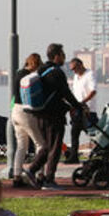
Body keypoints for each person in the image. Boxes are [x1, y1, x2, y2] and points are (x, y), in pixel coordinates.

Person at [25, 43, 82, 190]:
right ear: (57, 56)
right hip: (53, 116)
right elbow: (65, 93)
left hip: (40, 114)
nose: (64, 58)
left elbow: (54, 95)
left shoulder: (41, 70)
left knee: (47, 145)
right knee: (55, 147)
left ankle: (34, 171)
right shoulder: (56, 72)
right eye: (63, 55)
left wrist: (69, 106)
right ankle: (48, 179)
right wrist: (78, 106)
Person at [11, 54, 50, 188]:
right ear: (34, 64)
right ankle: (39, 174)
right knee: (41, 144)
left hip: (15, 111)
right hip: (26, 112)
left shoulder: (18, 75)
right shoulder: (29, 77)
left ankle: (16, 176)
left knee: (22, 145)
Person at [65, 58, 98, 164]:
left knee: (93, 132)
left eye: (75, 68)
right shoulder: (75, 77)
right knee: (74, 132)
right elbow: (74, 93)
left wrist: (83, 102)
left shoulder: (90, 74)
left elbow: (93, 91)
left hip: (87, 110)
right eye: (72, 69)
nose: (74, 71)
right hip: (76, 110)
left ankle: (100, 153)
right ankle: (73, 156)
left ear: (80, 65)